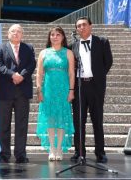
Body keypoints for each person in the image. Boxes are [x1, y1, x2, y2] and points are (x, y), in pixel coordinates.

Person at [70, 16, 113, 163]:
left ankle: (100, 152)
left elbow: (108, 62)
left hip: (95, 86)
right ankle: (79, 152)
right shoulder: (72, 45)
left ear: (91, 26)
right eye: (78, 26)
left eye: (84, 25)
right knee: (78, 121)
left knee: (97, 120)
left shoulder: (102, 41)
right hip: (79, 87)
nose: (81, 28)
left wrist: (97, 76)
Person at [0, 24, 36, 163]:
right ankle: (4, 154)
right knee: (4, 124)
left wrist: (22, 76)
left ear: (22, 34)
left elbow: (32, 64)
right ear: (8, 34)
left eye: (18, 31)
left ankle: (20, 154)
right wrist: (13, 75)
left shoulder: (28, 48)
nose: (16, 33)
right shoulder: (0, 48)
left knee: (22, 125)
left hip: (22, 92)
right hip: (5, 92)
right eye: (13, 31)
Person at [36, 26, 75, 161]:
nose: (55, 37)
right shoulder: (43, 53)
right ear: (49, 37)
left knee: (62, 118)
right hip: (48, 90)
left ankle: (59, 148)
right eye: (52, 34)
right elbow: (39, 73)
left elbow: (71, 73)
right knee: (50, 119)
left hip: (63, 90)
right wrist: (39, 90)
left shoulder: (68, 53)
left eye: (58, 34)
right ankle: (52, 147)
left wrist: (71, 91)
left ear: (63, 37)